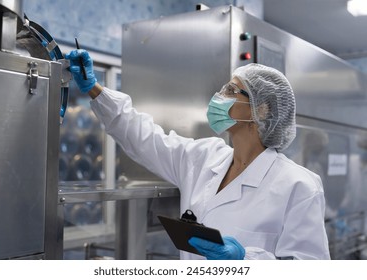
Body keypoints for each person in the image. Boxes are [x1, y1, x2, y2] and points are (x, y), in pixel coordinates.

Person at [65, 49, 331, 260]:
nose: (219, 96)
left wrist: (244, 260)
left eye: (230, 90)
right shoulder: (204, 157)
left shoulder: (299, 186)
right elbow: (144, 138)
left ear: (259, 110)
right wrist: (94, 89)